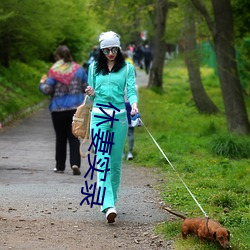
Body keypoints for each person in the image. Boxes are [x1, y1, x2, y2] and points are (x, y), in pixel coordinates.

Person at [85, 31, 138, 223]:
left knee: (115, 163)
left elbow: (131, 90)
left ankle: (111, 201)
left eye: (114, 49)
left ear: (119, 48)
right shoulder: (93, 68)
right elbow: (91, 97)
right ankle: (108, 204)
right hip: (99, 116)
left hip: (120, 118)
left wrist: (133, 104)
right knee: (103, 162)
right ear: (101, 50)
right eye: (106, 50)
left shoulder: (127, 68)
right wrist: (90, 92)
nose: (110, 53)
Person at [39, 45, 88, 175]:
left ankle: (60, 166)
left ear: (58, 57)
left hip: (58, 109)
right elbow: (86, 87)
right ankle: (75, 163)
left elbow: (47, 90)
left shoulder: (54, 71)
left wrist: (42, 83)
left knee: (60, 138)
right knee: (73, 137)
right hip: (75, 109)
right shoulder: (79, 70)